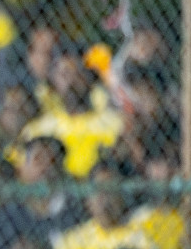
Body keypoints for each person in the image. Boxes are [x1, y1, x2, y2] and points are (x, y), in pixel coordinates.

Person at [52, 158, 156, 249]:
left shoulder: (142, 232)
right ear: (87, 200)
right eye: (97, 189)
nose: (104, 197)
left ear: (123, 195)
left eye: (110, 189)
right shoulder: (72, 241)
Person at [20, 49, 122, 179]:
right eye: (65, 74)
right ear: (53, 81)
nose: (72, 80)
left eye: (78, 73)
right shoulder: (38, 129)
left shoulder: (112, 122)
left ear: (88, 79)